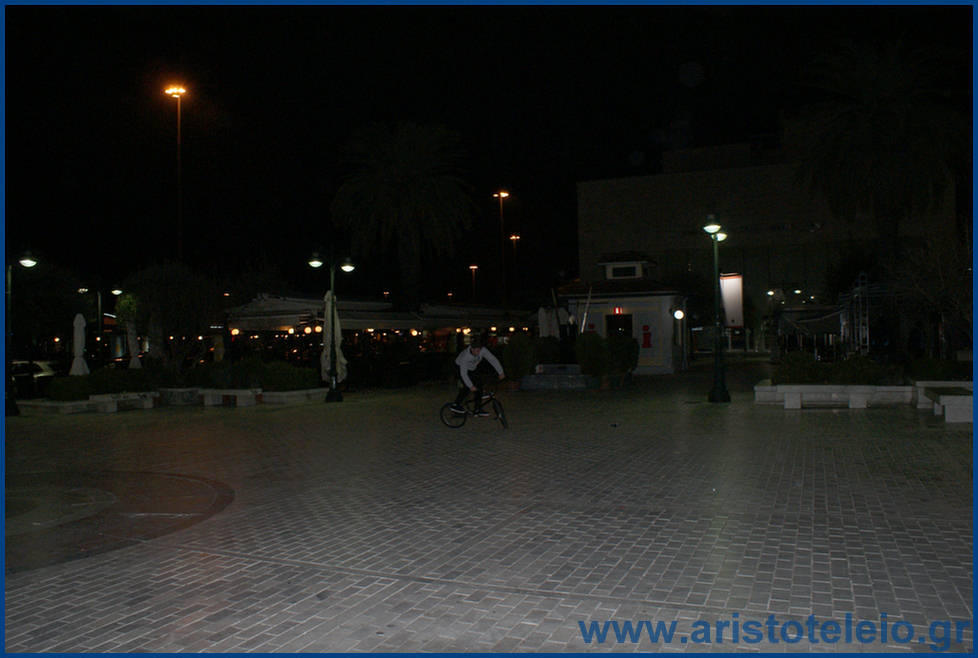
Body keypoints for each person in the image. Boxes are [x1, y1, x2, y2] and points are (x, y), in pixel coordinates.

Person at [451, 335, 505, 416]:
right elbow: (463, 374)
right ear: (472, 349)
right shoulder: (465, 356)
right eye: (477, 351)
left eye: (479, 350)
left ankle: (477, 409)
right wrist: (471, 386)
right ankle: (456, 405)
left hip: (472, 368)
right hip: (459, 368)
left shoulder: (483, 350)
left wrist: (500, 372)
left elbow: (492, 359)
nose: (478, 353)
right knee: (467, 387)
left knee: (479, 385)